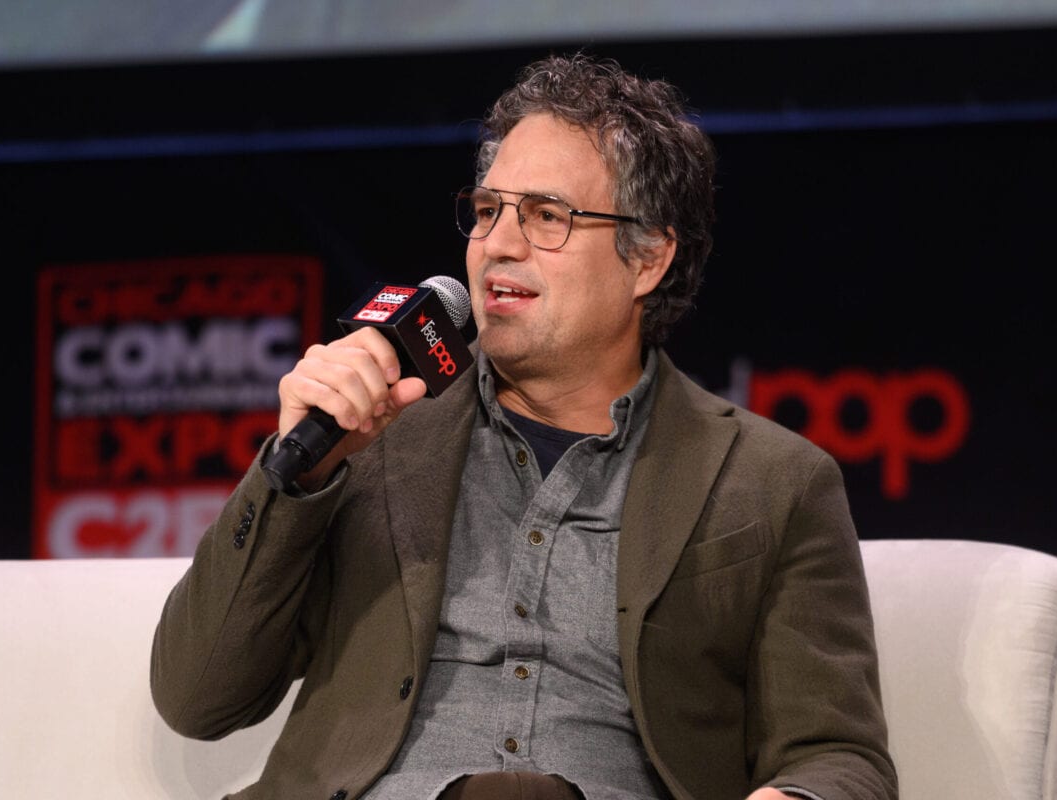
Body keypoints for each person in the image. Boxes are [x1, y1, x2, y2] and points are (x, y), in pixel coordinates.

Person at [151, 53, 897, 800]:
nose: (498, 245)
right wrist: (295, 474)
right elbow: (199, 699)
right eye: (486, 211)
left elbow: (841, 757)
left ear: (648, 258)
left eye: (546, 217)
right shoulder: (375, 436)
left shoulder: (771, 482)